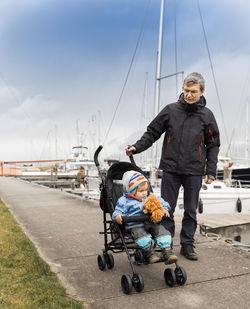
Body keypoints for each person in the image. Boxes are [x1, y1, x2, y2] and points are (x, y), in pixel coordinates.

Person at [126, 72, 220, 261]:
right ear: (182, 89)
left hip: (194, 170)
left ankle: (187, 244)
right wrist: (137, 147)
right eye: (186, 90)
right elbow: (152, 132)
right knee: (165, 209)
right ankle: (165, 244)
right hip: (171, 168)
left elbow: (213, 144)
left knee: (191, 210)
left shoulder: (207, 116)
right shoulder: (170, 110)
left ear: (202, 92)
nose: (189, 95)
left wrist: (211, 170)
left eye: (193, 91)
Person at [112, 170, 178, 265]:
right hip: (135, 225)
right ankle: (150, 253)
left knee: (162, 232)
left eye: (146, 190)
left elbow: (162, 202)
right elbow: (117, 210)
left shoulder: (149, 197)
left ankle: (168, 252)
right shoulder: (124, 200)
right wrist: (118, 216)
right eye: (141, 191)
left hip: (151, 223)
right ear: (132, 191)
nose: (144, 193)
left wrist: (164, 208)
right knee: (142, 236)